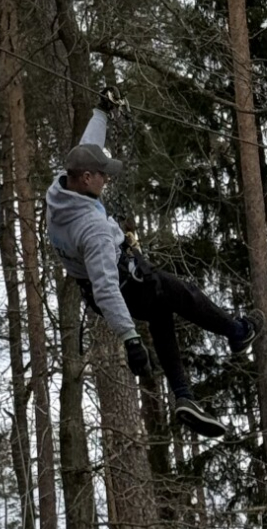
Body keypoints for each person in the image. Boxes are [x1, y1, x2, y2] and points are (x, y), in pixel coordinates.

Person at [46, 88, 255, 439]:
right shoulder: (92, 229)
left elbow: (86, 147)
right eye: (102, 175)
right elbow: (106, 286)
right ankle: (238, 332)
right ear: (87, 178)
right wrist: (130, 339)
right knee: (182, 294)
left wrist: (101, 112)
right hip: (125, 286)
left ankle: (184, 396)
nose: (107, 179)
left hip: (99, 288)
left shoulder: (60, 191)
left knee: (162, 316)